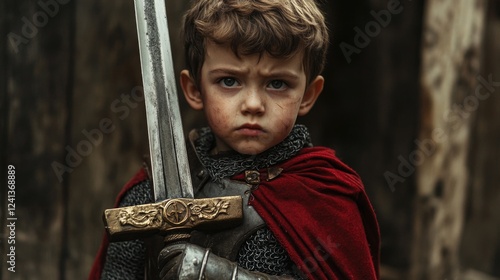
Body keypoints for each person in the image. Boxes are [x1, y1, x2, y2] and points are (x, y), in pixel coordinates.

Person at [89, 0, 380, 279]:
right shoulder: (149, 192)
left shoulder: (323, 195)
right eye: (229, 80)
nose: (253, 104)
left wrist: (217, 274)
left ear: (308, 95)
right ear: (194, 89)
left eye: (277, 83)